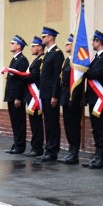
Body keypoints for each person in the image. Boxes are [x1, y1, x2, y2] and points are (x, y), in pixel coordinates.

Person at [83, 31, 103, 168]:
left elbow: (96, 74)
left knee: (101, 129)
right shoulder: (96, 57)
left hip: (100, 99)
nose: (92, 43)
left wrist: (83, 69)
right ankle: (97, 154)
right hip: (93, 98)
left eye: (93, 41)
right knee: (95, 128)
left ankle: (101, 157)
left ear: (98, 42)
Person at [38, 27, 64, 162]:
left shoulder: (57, 54)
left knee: (53, 122)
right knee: (47, 121)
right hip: (45, 93)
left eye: (43, 37)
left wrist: (55, 95)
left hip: (51, 94)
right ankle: (48, 148)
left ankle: (53, 150)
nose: (42, 39)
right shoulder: (48, 53)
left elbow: (56, 77)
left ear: (50, 37)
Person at [58, 33, 83, 164]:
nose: (65, 45)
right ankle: (70, 150)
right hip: (65, 96)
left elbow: (78, 81)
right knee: (68, 125)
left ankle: (75, 153)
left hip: (73, 97)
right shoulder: (67, 60)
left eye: (68, 43)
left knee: (74, 126)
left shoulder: (77, 61)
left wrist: (75, 99)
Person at [3, 35, 29, 154]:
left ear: (19, 46)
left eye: (13, 43)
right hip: (11, 95)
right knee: (14, 121)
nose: (10, 44)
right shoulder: (14, 59)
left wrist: (18, 97)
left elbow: (21, 81)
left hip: (16, 97)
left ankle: (20, 146)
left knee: (19, 121)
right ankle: (16, 143)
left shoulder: (22, 60)